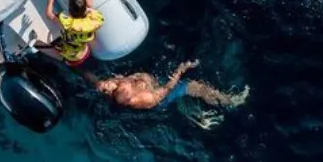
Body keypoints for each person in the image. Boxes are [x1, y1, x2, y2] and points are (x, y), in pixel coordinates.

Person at [91, 59, 250, 111]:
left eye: (120, 82)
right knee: (193, 86)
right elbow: (168, 88)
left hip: (152, 83)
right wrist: (181, 70)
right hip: (163, 98)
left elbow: (97, 81)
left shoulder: (116, 89)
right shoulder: (147, 98)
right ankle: (228, 101)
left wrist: (80, 69)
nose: (120, 80)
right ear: (131, 94)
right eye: (121, 83)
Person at [39, 0, 104, 67]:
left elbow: (49, 14)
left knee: (38, 44)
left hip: (71, 58)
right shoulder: (92, 22)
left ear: (69, 10)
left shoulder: (67, 23)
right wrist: (89, 5)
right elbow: (89, 14)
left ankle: (64, 61)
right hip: (85, 52)